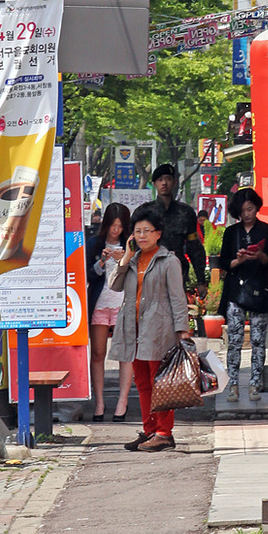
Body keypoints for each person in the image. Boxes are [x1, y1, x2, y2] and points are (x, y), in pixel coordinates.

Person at [107, 207, 192, 452]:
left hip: (159, 330)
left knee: (161, 383)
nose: (142, 236)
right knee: (143, 384)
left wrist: (182, 330)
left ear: (158, 234)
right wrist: (124, 258)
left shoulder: (169, 261)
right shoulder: (131, 259)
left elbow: (177, 298)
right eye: (137, 231)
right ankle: (149, 430)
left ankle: (164, 433)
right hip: (132, 331)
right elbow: (114, 285)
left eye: (147, 231)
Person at [218, 189, 268, 403]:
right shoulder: (231, 232)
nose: (247, 214)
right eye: (243, 211)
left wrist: (259, 255)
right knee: (234, 340)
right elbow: (225, 263)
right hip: (236, 290)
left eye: (250, 209)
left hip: (259, 289)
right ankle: (233, 384)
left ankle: (255, 384)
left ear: (257, 207)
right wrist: (239, 260)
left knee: (258, 341)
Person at [85, 202, 133, 422]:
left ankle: (122, 402)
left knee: (124, 353)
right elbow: (89, 276)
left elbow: (136, 272)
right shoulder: (95, 243)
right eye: (113, 225)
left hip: (123, 304)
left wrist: (124, 258)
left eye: (120, 226)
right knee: (97, 353)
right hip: (100, 303)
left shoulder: (130, 244)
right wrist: (102, 262)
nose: (116, 230)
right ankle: (100, 402)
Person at [134, 164, 207, 297]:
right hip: (149, 273)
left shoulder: (186, 212)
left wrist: (201, 280)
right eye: (160, 179)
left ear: (174, 182)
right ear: (154, 183)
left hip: (177, 274)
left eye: (168, 179)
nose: (164, 183)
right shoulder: (144, 212)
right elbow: (134, 246)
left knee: (178, 314)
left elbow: (194, 247)